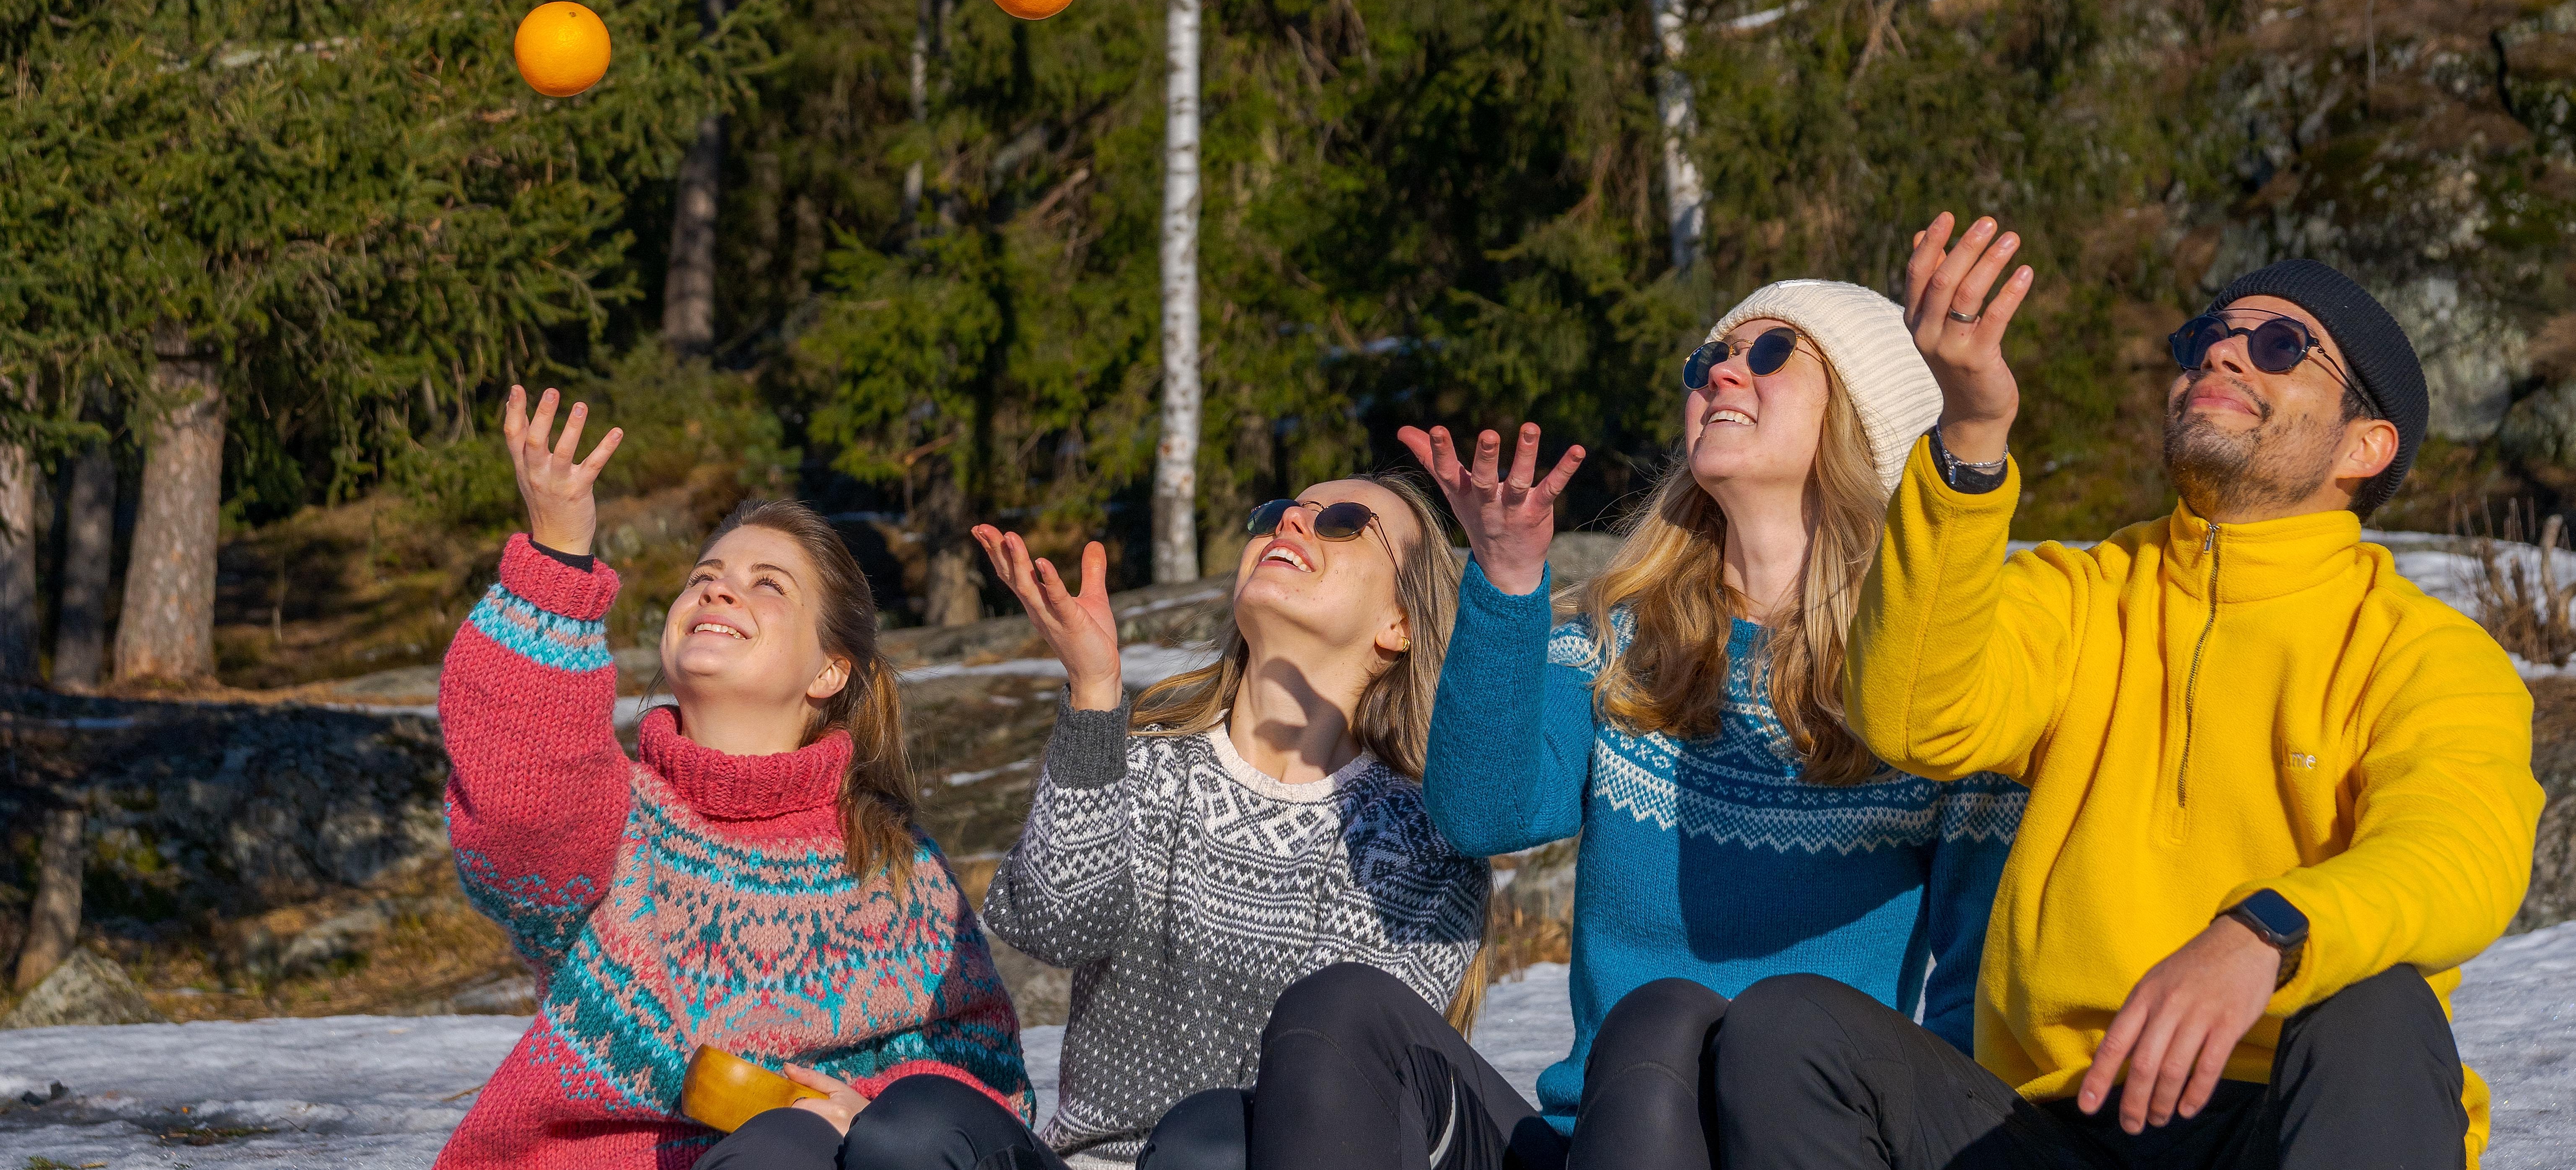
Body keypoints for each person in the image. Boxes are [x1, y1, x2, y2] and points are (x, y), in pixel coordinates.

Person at [1715, 221, 2547, 1170]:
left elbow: (2457, 852)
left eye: (2278, 345)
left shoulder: (2423, 650)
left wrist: (2262, 933)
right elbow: (1912, 717)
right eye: (2202, 339)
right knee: (1788, 1030)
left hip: (2289, 1120)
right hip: (2061, 1129)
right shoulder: (2082, 594)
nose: (2220, 351)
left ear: (2364, 444)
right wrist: (1971, 433)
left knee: (2378, 1006)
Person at [1238, 280, 2026, 1170]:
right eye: (1708, 361)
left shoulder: (1938, 688)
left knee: (1670, 1016)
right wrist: (1502, 581)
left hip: (1800, 1143)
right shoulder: (1620, 642)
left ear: (1866, 420)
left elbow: (1972, 1008)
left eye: (1769, 353)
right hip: (1591, 1138)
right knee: (1337, 1012)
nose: (1723, 371)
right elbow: (1486, 814)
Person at [436, 387, 1031, 1170]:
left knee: (889, 1131)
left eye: (768, 584)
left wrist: (858, 1110)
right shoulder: (613, 826)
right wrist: (557, 554)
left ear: (830, 669)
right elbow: (520, 812)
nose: (717, 588)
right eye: (705, 575)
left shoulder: (892, 857)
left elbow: (986, 1080)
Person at [827, 471, 1489, 1170]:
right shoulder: (1146, 768)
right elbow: (1054, 924)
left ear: (1401, 624)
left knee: (1209, 1142)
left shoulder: (1425, 842)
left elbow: (1345, 1089)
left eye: (1343, 521)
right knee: (912, 1125)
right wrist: (1093, 693)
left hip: (1253, 1160)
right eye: (1278, 513)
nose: (1290, 524)